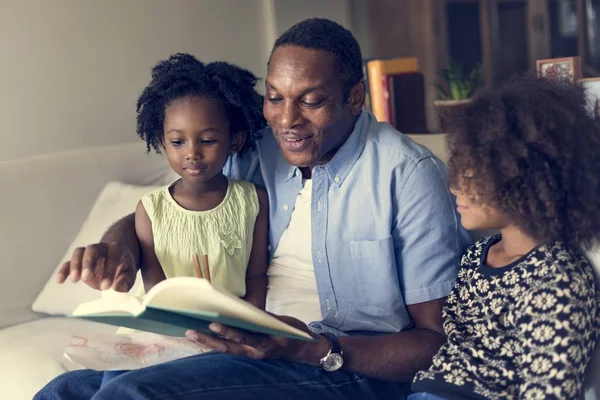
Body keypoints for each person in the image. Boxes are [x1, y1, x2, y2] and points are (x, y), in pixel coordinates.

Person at [36, 18, 471, 400]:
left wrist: (307, 348)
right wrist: (118, 247)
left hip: (340, 367)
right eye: (276, 97)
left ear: (355, 98)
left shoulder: (407, 174)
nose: (286, 120)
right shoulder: (259, 148)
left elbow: (435, 343)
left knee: (134, 393)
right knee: (63, 392)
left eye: (311, 101)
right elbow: (172, 203)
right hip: (241, 346)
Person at [410, 76, 600, 400]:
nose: (455, 187)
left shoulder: (559, 281)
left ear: (527, 178)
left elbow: (548, 392)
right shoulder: (476, 255)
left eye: (472, 176)